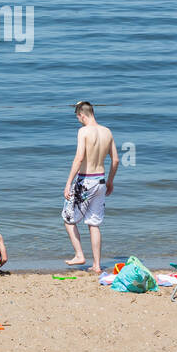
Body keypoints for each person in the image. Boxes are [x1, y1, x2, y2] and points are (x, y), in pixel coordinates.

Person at [62, 101, 119, 273]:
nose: (79, 121)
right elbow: (115, 160)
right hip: (101, 180)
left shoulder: (83, 131)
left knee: (68, 218)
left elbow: (79, 158)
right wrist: (110, 181)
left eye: (78, 117)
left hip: (85, 181)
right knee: (94, 224)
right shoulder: (107, 131)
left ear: (82, 115)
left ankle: (79, 254)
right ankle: (97, 265)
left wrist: (68, 183)